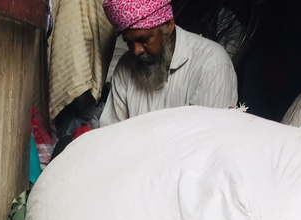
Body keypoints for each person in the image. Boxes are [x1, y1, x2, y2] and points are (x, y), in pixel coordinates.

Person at [100, 0, 238, 127]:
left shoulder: (211, 64)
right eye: (129, 42)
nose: (136, 51)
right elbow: (112, 131)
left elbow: (209, 141)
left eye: (144, 39)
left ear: (168, 24)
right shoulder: (126, 65)